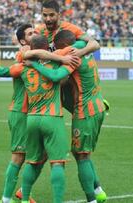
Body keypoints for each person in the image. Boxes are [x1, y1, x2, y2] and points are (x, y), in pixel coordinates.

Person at [0, 24, 78, 203]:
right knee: (20, 157)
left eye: (35, 31)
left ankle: (23, 193)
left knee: (39, 157)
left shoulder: (33, 60)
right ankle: (5, 199)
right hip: (22, 111)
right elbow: (6, 70)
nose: (35, 33)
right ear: (22, 41)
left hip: (33, 114)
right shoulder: (23, 55)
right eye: (29, 33)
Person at [28, 30, 107, 203]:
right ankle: (98, 189)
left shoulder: (71, 53)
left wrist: (34, 62)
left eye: (56, 47)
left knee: (82, 155)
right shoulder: (82, 46)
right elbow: (91, 40)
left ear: (63, 45)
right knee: (81, 153)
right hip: (98, 105)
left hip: (85, 111)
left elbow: (56, 77)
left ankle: (92, 199)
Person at [19, 35, 79, 203]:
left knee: (31, 162)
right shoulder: (57, 62)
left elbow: (3, 71)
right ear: (48, 48)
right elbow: (55, 76)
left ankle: (24, 200)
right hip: (52, 118)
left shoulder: (24, 66)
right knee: (57, 163)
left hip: (32, 119)